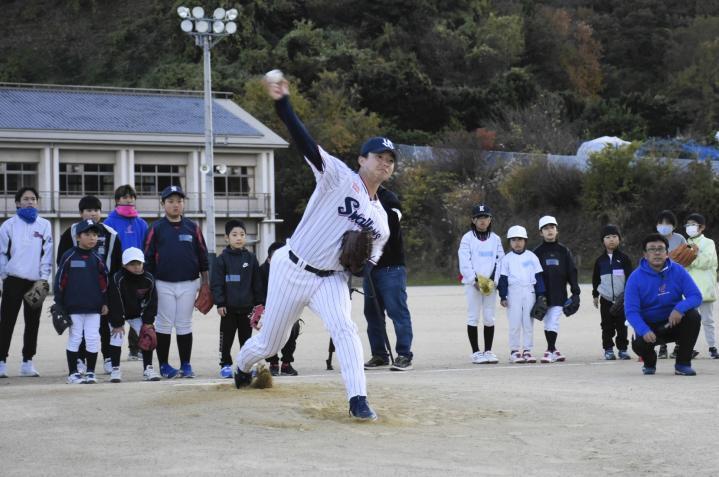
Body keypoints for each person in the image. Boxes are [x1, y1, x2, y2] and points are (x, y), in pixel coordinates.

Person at [233, 73, 391, 421]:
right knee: (269, 345)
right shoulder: (338, 175)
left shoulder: (381, 220)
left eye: (390, 159)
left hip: (331, 279)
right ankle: (242, 367)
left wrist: (359, 265)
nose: (384, 162)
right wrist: (283, 104)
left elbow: (369, 264)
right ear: (362, 159)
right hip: (291, 267)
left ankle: (358, 399)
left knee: (345, 329)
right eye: (378, 156)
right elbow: (304, 142)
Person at [144, 185, 209, 379]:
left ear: (183, 204)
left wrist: (205, 284)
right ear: (163, 204)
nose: (175, 205)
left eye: (179, 201)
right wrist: (149, 287)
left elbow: (203, 257)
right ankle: (164, 365)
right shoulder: (156, 228)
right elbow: (147, 259)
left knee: (184, 324)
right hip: (162, 283)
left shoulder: (193, 228)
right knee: (164, 324)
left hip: (189, 283)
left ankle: (186, 365)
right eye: (170, 201)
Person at [56, 195, 122, 375]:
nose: (92, 214)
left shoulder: (111, 234)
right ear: (81, 213)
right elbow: (61, 261)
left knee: (103, 326)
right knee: (79, 330)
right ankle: (79, 360)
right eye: (88, 210)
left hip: (103, 288)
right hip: (77, 290)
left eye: (96, 210)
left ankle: (108, 357)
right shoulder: (71, 232)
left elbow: (116, 262)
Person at [625, 233, 702, 376]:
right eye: (652, 249)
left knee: (693, 316)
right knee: (639, 345)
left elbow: (696, 296)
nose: (656, 253)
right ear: (645, 254)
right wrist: (643, 330)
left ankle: (682, 364)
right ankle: (649, 361)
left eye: (660, 249)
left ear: (667, 253)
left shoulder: (678, 271)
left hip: (673, 322)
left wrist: (680, 308)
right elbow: (631, 312)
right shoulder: (635, 278)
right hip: (650, 327)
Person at [0, 187, 53, 378]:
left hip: (36, 282)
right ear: (17, 202)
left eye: (33, 199)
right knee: (6, 322)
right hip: (13, 280)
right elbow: (2, 253)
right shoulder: (8, 225)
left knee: (33, 323)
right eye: (25, 199)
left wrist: (44, 278)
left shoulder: (45, 224)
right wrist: (5, 275)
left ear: (37, 202)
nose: (30, 202)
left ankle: (27, 362)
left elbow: (47, 252)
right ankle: (1, 362)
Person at [362, 186, 414, 371]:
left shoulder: (388, 197)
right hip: (369, 267)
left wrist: (371, 212)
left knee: (397, 311)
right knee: (372, 313)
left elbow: (394, 220)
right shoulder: (357, 196)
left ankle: (404, 355)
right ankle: (379, 354)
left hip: (391, 266)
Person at [55, 219, 109, 384]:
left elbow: (104, 283)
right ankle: (73, 373)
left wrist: (105, 302)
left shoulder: (97, 258)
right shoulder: (69, 255)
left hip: (94, 307)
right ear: (78, 237)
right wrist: (59, 303)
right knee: (75, 338)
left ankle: (91, 372)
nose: (92, 238)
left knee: (93, 338)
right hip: (74, 307)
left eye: (95, 234)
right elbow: (60, 281)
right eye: (87, 234)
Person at [210, 220, 264, 379]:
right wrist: (220, 302)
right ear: (227, 238)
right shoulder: (222, 259)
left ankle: (245, 366)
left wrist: (259, 305)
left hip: (247, 308)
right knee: (226, 339)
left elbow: (257, 283)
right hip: (228, 309)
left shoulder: (251, 258)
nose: (239, 238)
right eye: (234, 235)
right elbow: (217, 283)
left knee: (246, 340)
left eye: (242, 235)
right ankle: (225, 365)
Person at [104, 185, 149, 360]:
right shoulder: (109, 222)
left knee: (137, 311)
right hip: (117, 273)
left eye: (131, 197)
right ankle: (111, 353)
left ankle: (135, 349)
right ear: (117, 200)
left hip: (138, 272)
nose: (129, 200)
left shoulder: (141, 223)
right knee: (116, 310)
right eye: (124, 197)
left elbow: (146, 246)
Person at [457, 204, 504, 364]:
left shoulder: (496, 239)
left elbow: (500, 261)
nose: (483, 221)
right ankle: (476, 352)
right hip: (473, 285)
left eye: (486, 217)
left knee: (489, 317)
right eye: (479, 218)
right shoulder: (467, 238)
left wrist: (493, 282)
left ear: (490, 220)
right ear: (473, 220)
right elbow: (464, 261)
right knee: (473, 317)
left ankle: (488, 351)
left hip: (491, 285)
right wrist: (474, 280)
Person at [107, 247, 160, 382]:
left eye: (139, 263)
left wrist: (148, 321)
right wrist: (118, 323)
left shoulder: (148, 278)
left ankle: (148, 368)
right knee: (116, 337)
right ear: (124, 265)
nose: (136, 267)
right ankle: (115, 369)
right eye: (132, 264)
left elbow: (152, 301)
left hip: (137, 314)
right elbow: (115, 302)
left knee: (147, 335)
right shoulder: (117, 278)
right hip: (119, 313)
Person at [533, 215, 580, 363]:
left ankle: (550, 350)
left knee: (553, 321)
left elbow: (571, 271)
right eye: (546, 228)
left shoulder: (564, 251)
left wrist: (575, 291)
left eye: (552, 227)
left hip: (559, 293)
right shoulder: (537, 252)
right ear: (541, 233)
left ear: (557, 230)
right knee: (548, 322)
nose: (549, 231)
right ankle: (554, 350)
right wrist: (538, 294)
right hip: (543, 294)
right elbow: (534, 274)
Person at [497, 225, 545, 364]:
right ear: (510, 242)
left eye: (520, 239)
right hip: (513, 292)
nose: (517, 242)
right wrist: (503, 296)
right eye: (513, 240)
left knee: (528, 322)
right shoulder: (506, 259)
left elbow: (538, 277)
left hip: (529, 291)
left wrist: (541, 295)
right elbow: (503, 280)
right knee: (514, 322)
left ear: (525, 241)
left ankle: (527, 350)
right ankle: (514, 351)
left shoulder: (532, 257)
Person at [591, 224, 634, 360]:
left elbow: (630, 278)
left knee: (622, 326)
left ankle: (622, 349)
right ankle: (608, 349)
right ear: (603, 241)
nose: (611, 240)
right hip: (606, 299)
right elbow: (595, 279)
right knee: (607, 325)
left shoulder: (624, 259)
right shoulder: (600, 261)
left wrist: (628, 295)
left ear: (619, 239)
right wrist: (595, 295)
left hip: (622, 299)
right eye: (608, 237)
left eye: (614, 237)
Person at [260, 241, 302, 377]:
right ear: (269, 259)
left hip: (289, 309)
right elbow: (258, 293)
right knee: (271, 335)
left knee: (293, 330)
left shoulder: (293, 271)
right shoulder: (262, 271)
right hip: (269, 310)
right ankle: (273, 363)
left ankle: (286, 363)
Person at [684, 213, 718, 359]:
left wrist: (692, 257)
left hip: (705, 288)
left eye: (693, 224)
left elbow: (707, 262)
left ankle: (712, 347)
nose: (690, 227)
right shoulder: (684, 242)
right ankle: (688, 348)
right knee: (689, 320)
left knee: (708, 320)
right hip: (689, 289)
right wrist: (692, 257)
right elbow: (682, 265)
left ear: (702, 227)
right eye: (688, 224)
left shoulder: (709, 243)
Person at [655, 210, 687, 360]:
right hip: (659, 280)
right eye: (661, 223)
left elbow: (688, 256)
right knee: (662, 312)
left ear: (674, 226)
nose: (664, 226)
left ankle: (679, 346)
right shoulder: (654, 240)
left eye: (668, 223)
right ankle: (662, 347)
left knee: (678, 311)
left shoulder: (680, 238)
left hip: (676, 280)